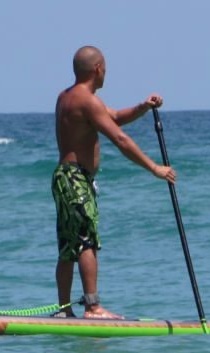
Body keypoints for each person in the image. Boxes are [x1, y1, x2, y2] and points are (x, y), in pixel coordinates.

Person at [52, 45, 176, 319]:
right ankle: (93, 307)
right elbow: (119, 138)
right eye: (105, 68)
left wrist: (143, 107)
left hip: (63, 177)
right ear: (98, 69)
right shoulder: (87, 101)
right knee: (85, 241)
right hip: (76, 179)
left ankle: (64, 309)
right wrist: (154, 168)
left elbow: (115, 117)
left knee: (68, 243)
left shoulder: (67, 96)